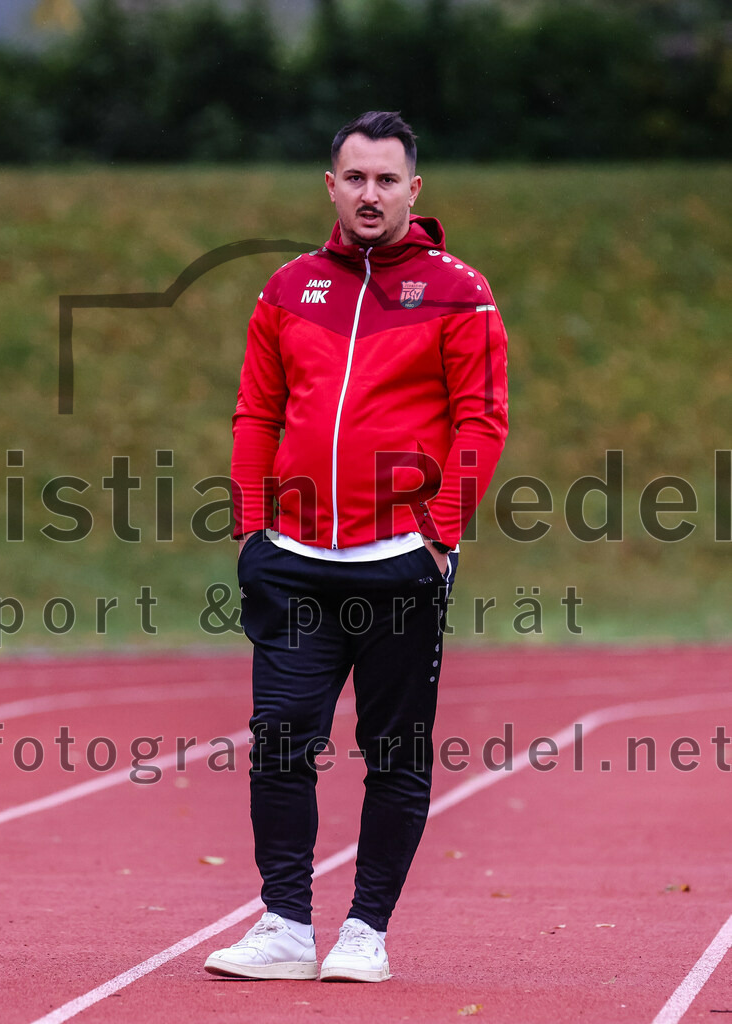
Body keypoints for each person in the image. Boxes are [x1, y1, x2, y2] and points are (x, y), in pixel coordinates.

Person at [204, 111, 509, 983]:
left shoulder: (460, 290)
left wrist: (439, 535)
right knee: (281, 741)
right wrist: (251, 528)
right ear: (328, 186)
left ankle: (365, 933)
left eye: (386, 180)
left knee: (395, 755)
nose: (368, 194)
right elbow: (257, 412)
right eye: (354, 178)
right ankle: (284, 924)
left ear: (413, 190)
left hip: (398, 560)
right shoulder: (286, 288)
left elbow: (479, 420)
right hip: (292, 559)